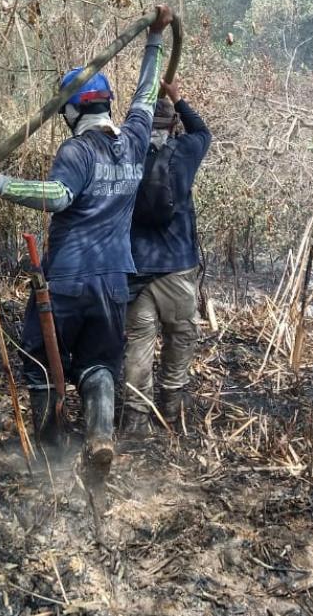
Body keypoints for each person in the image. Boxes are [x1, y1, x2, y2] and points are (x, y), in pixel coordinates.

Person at [0, 5, 175, 477]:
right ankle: (99, 437)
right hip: (114, 283)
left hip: (67, 282)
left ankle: (51, 446)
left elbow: (58, 197)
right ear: (104, 103)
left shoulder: (76, 150)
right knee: (100, 360)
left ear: (72, 109)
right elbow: (144, 95)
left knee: (40, 360)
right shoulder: (135, 139)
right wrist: (155, 40)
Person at [120, 78, 212, 437]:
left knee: (139, 346)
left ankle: (135, 420)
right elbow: (203, 131)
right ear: (173, 125)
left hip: (136, 271)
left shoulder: (125, 153)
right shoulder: (186, 151)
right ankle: (171, 410)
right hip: (177, 269)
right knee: (181, 337)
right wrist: (179, 99)